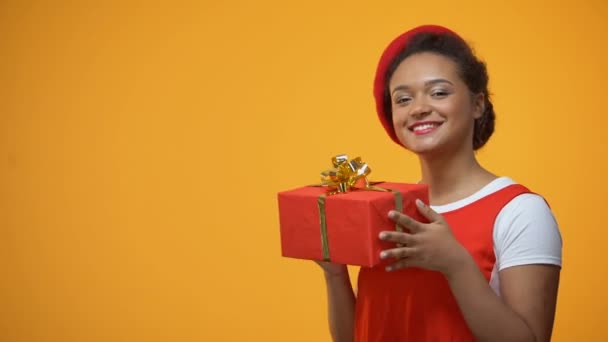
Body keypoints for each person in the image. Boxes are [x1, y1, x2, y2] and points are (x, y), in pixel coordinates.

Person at [316, 24, 563, 342]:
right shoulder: (385, 211)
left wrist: (455, 264)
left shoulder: (520, 212)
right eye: (403, 99)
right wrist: (335, 275)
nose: (418, 108)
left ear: (477, 104)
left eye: (439, 92)